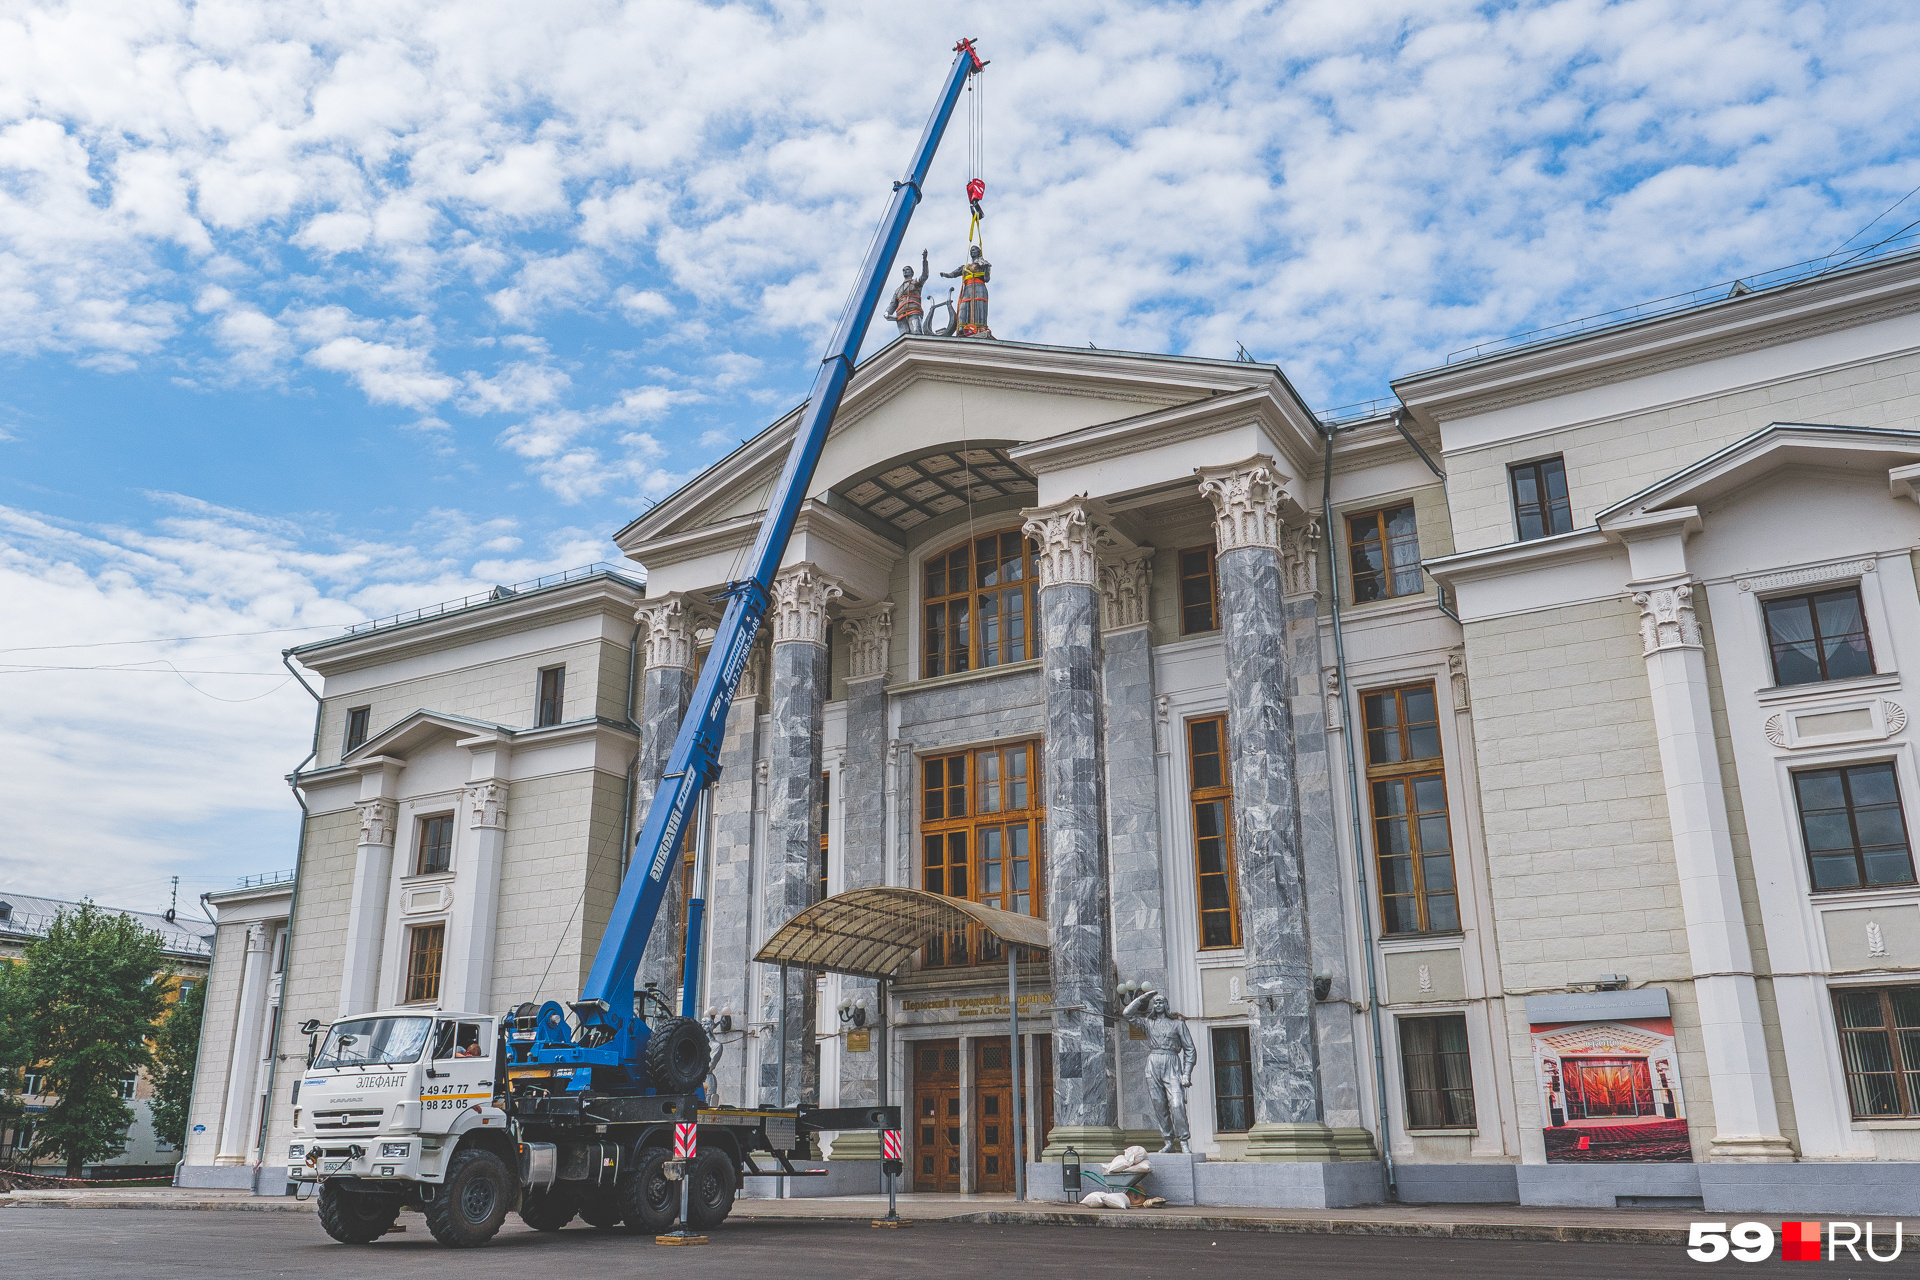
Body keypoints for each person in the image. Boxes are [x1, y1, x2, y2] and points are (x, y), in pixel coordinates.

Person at [1122, 989, 1196, 1153]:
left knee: (1177, 1105)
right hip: (1153, 1063)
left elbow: (1190, 1050)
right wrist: (1142, 999)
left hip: (1172, 1063)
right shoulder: (1148, 1024)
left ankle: (1183, 1141)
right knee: (1159, 1106)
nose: (1158, 1004)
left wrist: (1186, 1073)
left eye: (1161, 1001)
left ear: (1167, 1005)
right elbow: (1127, 1013)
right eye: (1155, 1002)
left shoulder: (1178, 1024)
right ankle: (1168, 1141)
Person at [939, 245, 992, 338]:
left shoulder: (983, 263)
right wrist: (945, 275)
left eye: (974, 250)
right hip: (967, 288)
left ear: (979, 252)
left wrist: (986, 268)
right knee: (964, 306)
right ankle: (963, 328)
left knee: (978, 306)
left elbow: (986, 279)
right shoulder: (965, 267)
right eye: (971, 250)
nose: (972, 252)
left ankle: (980, 328)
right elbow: (953, 274)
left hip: (979, 287)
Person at [885, 251, 929, 335]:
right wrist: (887, 313)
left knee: (916, 333)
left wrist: (924, 261)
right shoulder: (898, 290)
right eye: (903, 270)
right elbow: (893, 304)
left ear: (912, 272)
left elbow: (924, 276)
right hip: (900, 315)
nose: (905, 271)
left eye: (907, 269)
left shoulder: (915, 283)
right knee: (904, 336)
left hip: (913, 311)